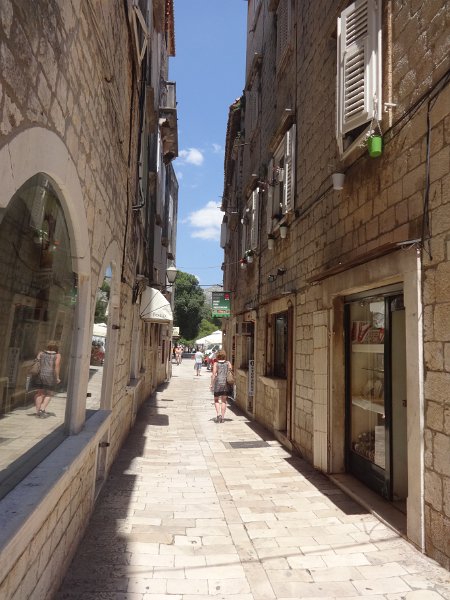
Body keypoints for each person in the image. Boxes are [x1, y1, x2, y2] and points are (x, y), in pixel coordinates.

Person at [32, 340, 61, 418]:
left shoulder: (41, 353)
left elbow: (36, 363)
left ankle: (38, 412)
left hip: (40, 375)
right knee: (49, 393)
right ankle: (42, 409)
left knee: (39, 393)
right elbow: (56, 366)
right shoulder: (57, 355)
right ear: (56, 347)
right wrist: (57, 377)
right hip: (50, 376)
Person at [210, 349, 232, 423]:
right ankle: (222, 417)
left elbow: (213, 374)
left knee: (216, 399)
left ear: (218, 356)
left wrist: (211, 384)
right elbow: (230, 372)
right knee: (224, 401)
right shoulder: (228, 363)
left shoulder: (216, 364)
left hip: (218, 383)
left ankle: (218, 414)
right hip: (226, 383)